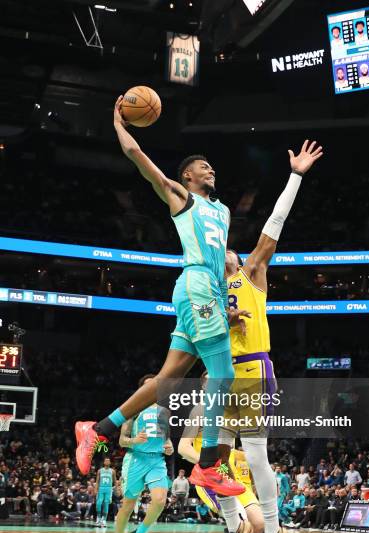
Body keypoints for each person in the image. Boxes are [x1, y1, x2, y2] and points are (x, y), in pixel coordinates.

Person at [75, 97, 248, 499]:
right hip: (195, 285)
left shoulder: (221, 211)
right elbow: (136, 155)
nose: (212, 170)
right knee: (223, 374)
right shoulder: (181, 199)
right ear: (187, 176)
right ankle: (207, 465)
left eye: (211, 166)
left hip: (207, 292)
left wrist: (225, 307)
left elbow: (219, 267)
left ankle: (97, 430)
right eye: (203, 167)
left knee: (168, 380)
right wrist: (119, 122)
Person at [219, 140, 322, 533]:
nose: (226, 251)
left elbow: (274, 224)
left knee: (256, 456)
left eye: (230, 249)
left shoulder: (252, 273)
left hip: (252, 370)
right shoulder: (208, 291)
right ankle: (233, 527)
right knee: (210, 460)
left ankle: (274, 531)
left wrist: (295, 175)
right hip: (220, 373)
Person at [179, 396, 263, 533]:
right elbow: (183, 447)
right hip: (208, 478)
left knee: (261, 527)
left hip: (229, 475)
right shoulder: (199, 409)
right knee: (240, 526)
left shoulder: (232, 411)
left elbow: (227, 454)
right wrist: (208, 463)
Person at [109, 396, 174, 533]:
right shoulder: (134, 410)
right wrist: (134, 440)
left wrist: (170, 447)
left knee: (160, 500)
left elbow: (167, 440)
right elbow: (122, 440)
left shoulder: (164, 412)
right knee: (128, 506)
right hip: (136, 460)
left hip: (157, 461)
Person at [95, 457, 116, 527]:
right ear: (104, 462)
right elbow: (97, 481)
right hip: (101, 488)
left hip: (108, 489)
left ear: (110, 463)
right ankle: (98, 517)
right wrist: (96, 489)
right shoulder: (99, 471)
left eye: (108, 461)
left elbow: (115, 482)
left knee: (106, 503)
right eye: (106, 461)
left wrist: (116, 489)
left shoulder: (113, 471)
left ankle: (104, 519)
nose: (107, 462)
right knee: (99, 503)